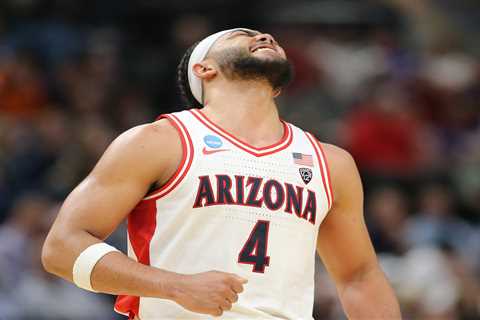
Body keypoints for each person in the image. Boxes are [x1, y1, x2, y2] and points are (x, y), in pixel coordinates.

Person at [42, 28, 401, 319]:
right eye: (243, 35)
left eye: (270, 39)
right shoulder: (159, 141)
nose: (265, 38)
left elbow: (359, 276)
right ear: (204, 68)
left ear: (277, 86)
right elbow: (61, 248)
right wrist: (174, 285)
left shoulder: (330, 162)